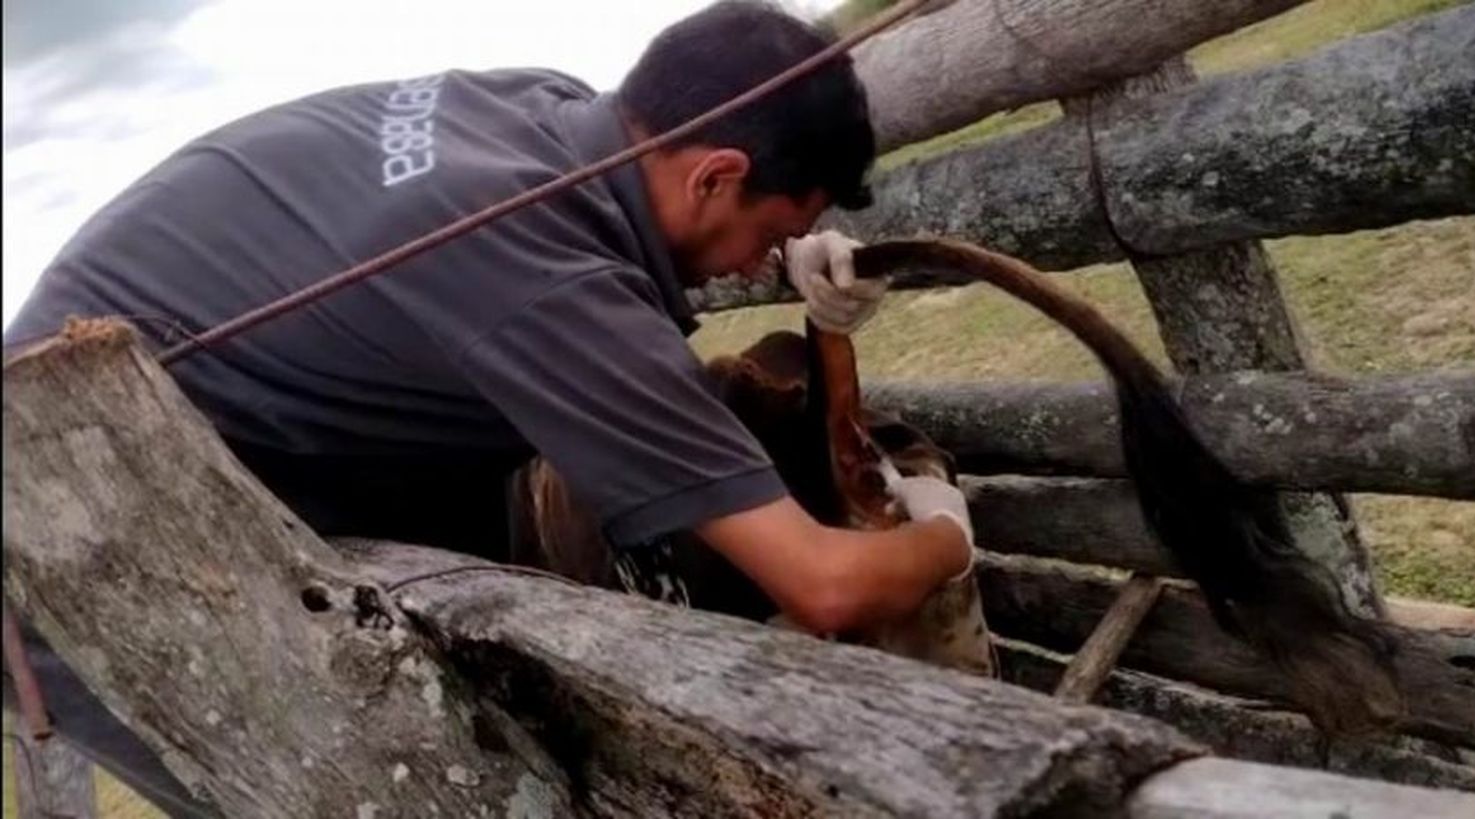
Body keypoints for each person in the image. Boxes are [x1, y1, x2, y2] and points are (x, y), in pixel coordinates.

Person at [3, 2, 973, 815]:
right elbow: (828, 587)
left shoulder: (537, 109)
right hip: (76, 526)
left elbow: (586, 253)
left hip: (155, 417)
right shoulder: (541, 275)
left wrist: (776, 255)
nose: (758, 261)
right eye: (775, 230)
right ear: (715, 172)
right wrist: (943, 538)